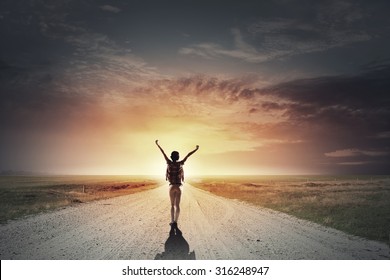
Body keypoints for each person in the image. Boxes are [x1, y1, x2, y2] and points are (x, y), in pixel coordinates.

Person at [155, 140, 199, 231]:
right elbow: (188, 155)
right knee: (177, 205)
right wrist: (196, 149)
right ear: (178, 157)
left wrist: (157, 144)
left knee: (172, 205)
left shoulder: (169, 162)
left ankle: (172, 221)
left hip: (171, 186)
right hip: (179, 187)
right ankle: (175, 221)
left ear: (171, 157)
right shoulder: (180, 163)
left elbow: (162, 152)